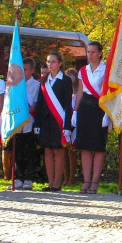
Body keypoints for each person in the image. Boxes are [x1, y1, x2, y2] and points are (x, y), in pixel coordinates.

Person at [73, 42, 110, 194]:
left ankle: (95, 181)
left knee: (98, 146)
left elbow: (109, 92)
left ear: (100, 53)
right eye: (88, 52)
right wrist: (75, 111)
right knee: (85, 146)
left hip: (100, 108)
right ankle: (86, 181)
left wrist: (108, 112)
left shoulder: (106, 69)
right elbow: (80, 92)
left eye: (93, 52)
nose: (90, 55)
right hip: (85, 108)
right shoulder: (83, 70)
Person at [34, 51, 73, 191]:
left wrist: (67, 125)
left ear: (60, 63)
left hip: (59, 120)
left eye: (53, 61)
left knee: (58, 150)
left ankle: (57, 183)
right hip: (45, 121)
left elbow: (68, 104)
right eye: (48, 62)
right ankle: (50, 183)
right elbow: (40, 103)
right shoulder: (44, 80)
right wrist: (37, 123)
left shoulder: (66, 80)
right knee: (48, 150)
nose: (50, 64)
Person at [10, 58, 41, 190]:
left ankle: (29, 178)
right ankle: (18, 177)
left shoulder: (36, 85)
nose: (23, 72)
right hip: (17, 123)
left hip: (29, 122)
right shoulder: (16, 85)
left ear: (32, 70)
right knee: (18, 151)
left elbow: (35, 105)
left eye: (26, 69)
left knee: (29, 151)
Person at [64, 68, 79, 186]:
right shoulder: (65, 90)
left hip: (75, 123)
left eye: (72, 75)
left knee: (71, 152)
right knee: (64, 151)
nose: (70, 77)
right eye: (67, 75)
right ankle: (65, 177)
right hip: (65, 122)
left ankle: (72, 178)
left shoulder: (80, 91)